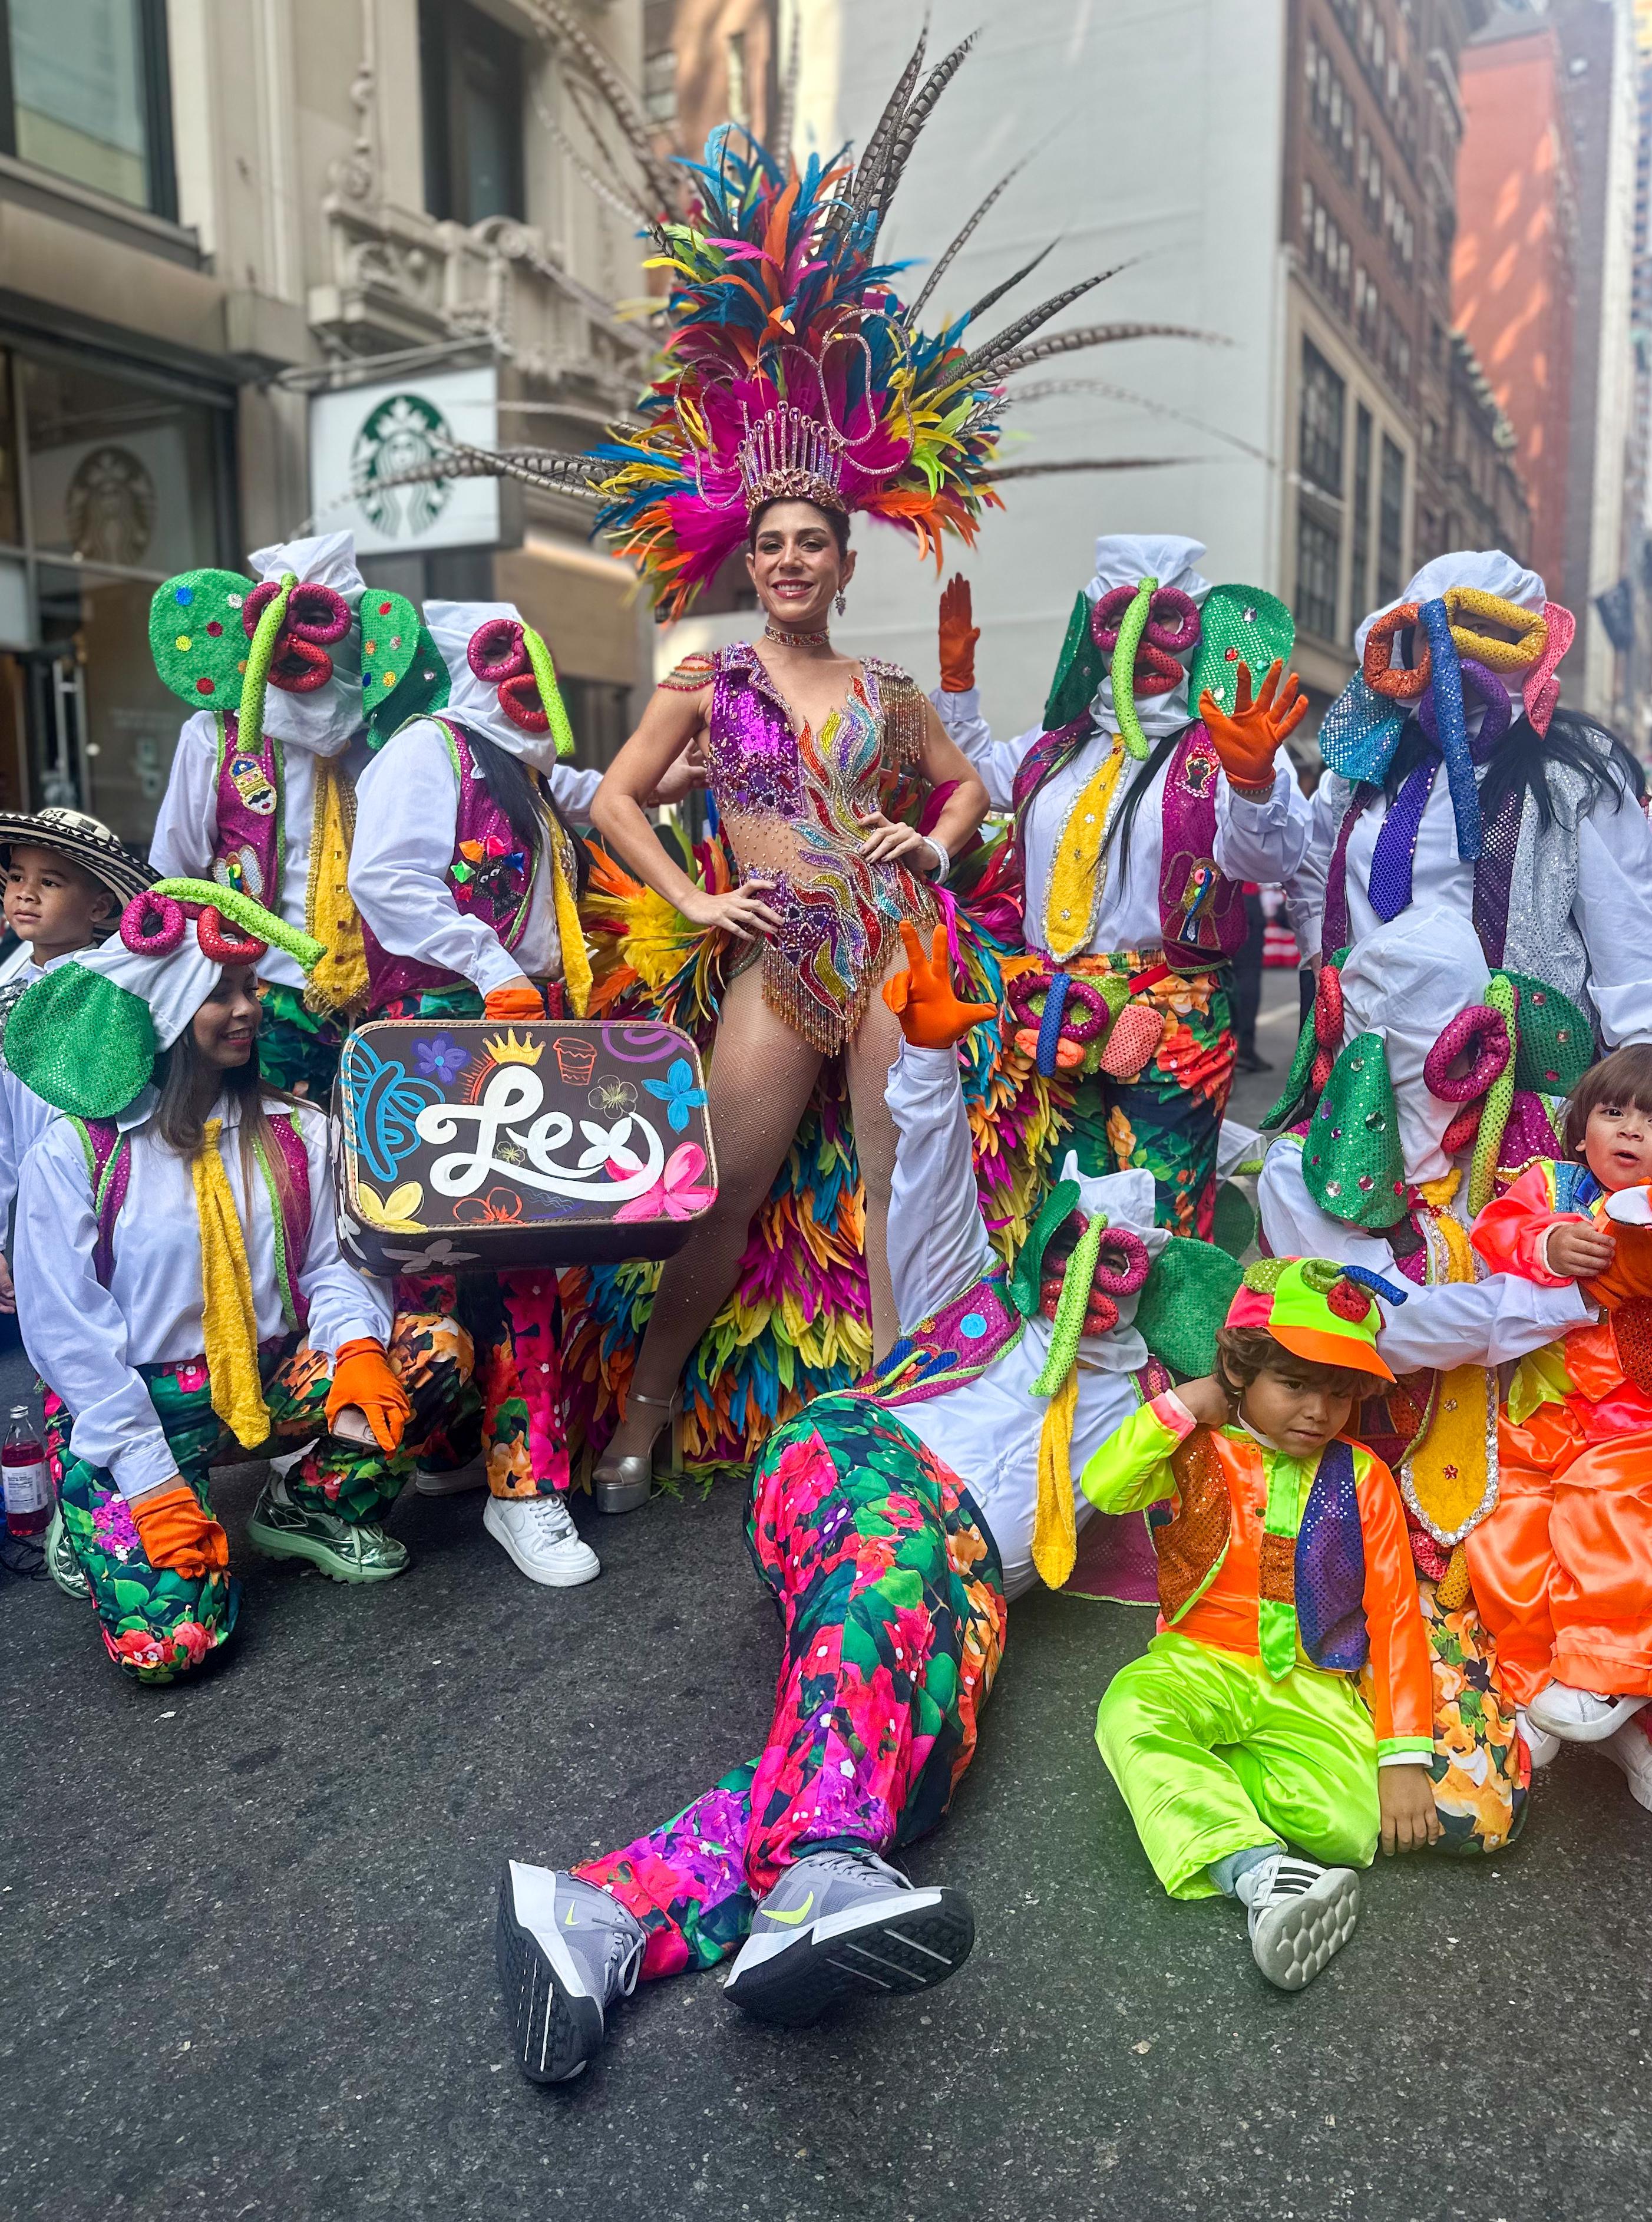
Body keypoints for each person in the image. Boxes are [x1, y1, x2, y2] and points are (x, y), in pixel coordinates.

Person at [493, 921, 1240, 2080]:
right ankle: (821, 1862)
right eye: (1069, 1251)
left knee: (907, 1751)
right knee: (891, 1594)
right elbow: (925, 1166)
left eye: (1117, 1260)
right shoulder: (974, 1303)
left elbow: (1329, 1336)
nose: (1086, 1276)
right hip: (855, 1466)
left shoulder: (1150, 1403)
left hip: (963, 1585)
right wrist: (931, 1055)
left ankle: (600, 1919)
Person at [588, 502, 988, 1504]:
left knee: (896, 1183)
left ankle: (899, 1414)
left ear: (842, 562)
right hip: (778, 952)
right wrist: (692, 897)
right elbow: (613, 797)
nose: (788, 559)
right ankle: (648, 1404)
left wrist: (930, 846)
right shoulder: (708, 679)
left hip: (890, 938)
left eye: (810, 542)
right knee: (722, 1189)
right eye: (770, 544)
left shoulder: (887, 686)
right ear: (751, 565)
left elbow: (966, 788)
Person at [5, 879, 475, 1683]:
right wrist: (148, 1482)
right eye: (218, 992)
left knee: (430, 1351)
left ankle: (309, 1506)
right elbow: (66, 1332)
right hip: (135, 1404)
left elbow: (331, 1265)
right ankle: (94, 1508)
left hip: (268, 1374)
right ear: (162, 1008)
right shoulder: (78, 1152)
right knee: (171, 1649)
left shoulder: (301, 1128)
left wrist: (357, 1347)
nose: (248, 1008)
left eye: (250, 986)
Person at [1258, 904, 1605, 1850]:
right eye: (1413, 1039)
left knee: (1486, 1797)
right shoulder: (1298, 1171)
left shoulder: (1508, 1162)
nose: (1437, 1071)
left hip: (1498, 1494)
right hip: (1350, 1491)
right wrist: (1572, 1299)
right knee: (1445, 1800)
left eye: (1458, 1037)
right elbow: (1393, 1332)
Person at [347, 597, 620, 1587]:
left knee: (523, 1262)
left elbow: (610, 790)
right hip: (443, 1039)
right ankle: (437, 1456)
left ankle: (520, 1482)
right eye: (511, 658)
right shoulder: (430, 751)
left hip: (517, 1031)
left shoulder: (523, 773)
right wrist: (486, 959)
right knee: (432, 1268)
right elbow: (386, 881)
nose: (531, 675)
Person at [931, 543, 1313, 1237]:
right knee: (1056, 1217)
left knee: (1155, 1227)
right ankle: (1068, 1349)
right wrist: (956, 686)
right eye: (1117, 620)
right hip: (1049, 1015)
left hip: (1171, 1014)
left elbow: (1267, 857)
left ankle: (1163, 1350)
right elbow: (969, 782)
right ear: (1092, 631)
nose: (1137, 641)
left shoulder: (1227, 736)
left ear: (1197, 628)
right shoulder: (1055, 745)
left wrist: (1253, 781)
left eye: (1162, 619)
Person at [1085, 1258, 1436, 1990]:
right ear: (1242, 1370)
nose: (1316, 1410)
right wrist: (1184, 1406)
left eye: (1338, 1393)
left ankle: (1192, 1786)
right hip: (1195, 1661)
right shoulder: (1193, 1445)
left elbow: (1395, 1612)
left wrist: (1402, 1754)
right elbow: (1106, 1488)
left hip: (1310, 1683)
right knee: (1127, 1708)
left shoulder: (1364, 1476)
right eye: (1294, 1384)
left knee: (1352, 1829)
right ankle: (1258, 1873)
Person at [1286, 550, 1652, 1045]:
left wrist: (1637, 1052)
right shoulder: (1362, 767)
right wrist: (1319, 954)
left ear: (1519, 645)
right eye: (1430, 632)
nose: (1450, 648)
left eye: (1479, 630)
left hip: (1515, 1072)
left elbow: (1623, 923)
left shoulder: (1574, 770)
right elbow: (1309, 864)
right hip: (1370, 1061)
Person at [146, 531, 416, 1098]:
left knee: (390, 1157)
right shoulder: (212, 738)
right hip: (263, 997)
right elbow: (174, 873)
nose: (300, 647)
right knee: (281, 1157)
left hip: (397, 997)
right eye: (285, 630)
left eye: (321, 625)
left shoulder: (394, 735)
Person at [1464, 1042, 1652, 1802]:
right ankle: (1535, 1685)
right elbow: (1492, 1229)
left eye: (1650, 1120)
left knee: (1607, 1515)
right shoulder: (1549, 1184)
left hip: (1630, 1424)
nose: (1631, 1131)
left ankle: (1606, 1673)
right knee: (1502, 1530)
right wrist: (1543, 1241)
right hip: (1536, 1413)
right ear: (1579, 1131)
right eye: (1613, 1112)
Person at [0, 807, 154, 1318]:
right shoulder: (9, 989)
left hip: (109, 1197)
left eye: (50, 881)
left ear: (99, 906)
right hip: (32, 1201)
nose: (26, 893)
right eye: (17, 876)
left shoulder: (113, 990)